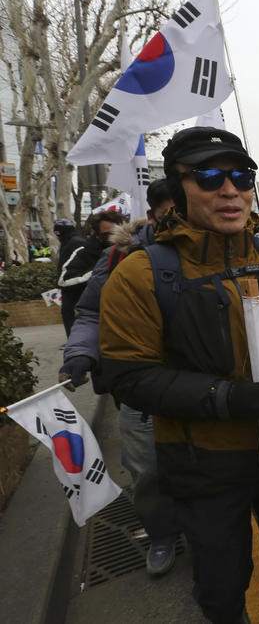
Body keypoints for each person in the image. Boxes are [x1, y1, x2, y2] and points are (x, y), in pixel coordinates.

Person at [98, 126, 259, 623]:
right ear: (179, 189)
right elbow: (130, 377)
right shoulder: (139, 275)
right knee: (222, 589)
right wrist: (228, 398)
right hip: (204, 466)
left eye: (242, 176)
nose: (231, 190)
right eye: (210, 177)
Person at [59, 179, 182, 576]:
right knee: (145, 467)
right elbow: (91, 313)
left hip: (198, 382)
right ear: (153, 215)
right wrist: (79, 352)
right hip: (138, 389)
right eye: (168, 212)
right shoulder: (118, 258)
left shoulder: (214, 250)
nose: (176, 220)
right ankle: (162, 534)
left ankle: (206, 534)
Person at [58, 210, 127, 336]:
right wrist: (101, 268)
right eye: (108, 234)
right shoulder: (83, 253)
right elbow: (65, 280)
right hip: (92, 322)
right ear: (97, 235)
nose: (114, 238)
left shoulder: (133, 252)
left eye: (118, 233)